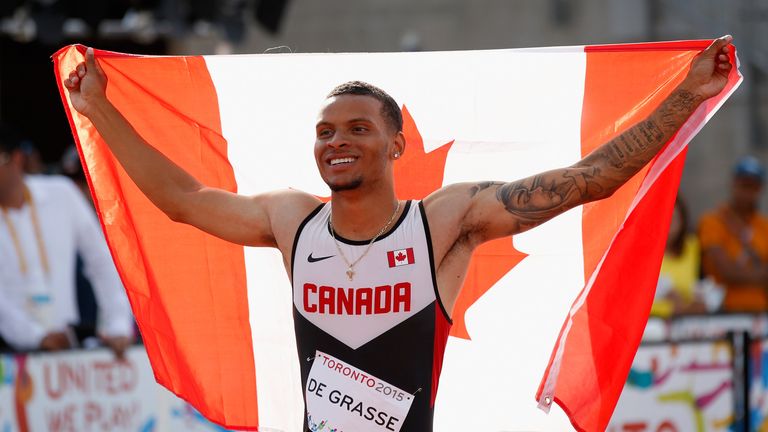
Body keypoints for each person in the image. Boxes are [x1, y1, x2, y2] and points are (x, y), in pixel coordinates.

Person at [63, 36, 734, 431]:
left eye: (358, 128)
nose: (337, 141)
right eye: (325, 131)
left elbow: (587, 181)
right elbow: (183, 200)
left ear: (396, 144)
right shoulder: (291, 219)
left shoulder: (443, 220)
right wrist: (96, 107)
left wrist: (685, 96)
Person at [0, 125, 134, 357]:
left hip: (69, 352)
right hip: (10, 358)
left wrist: (118, 323)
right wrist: (36, 337)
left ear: (17, 159)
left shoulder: (61, 194)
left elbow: (102, 260)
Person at [699, 155, 768, 312]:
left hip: (761, 312)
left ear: (760, 189)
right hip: (723, 311)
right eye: (744, 185)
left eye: (753, 186)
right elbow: (725, 271)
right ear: (733, 184)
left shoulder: (764, 226)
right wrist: (761, 275)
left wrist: (740, 273)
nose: (748, 192)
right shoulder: (713, 221)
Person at [652, 197, 708, 317]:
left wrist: (698, 302)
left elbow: (697, 284)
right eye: (664, 216)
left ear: (683, 220)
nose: (669, 224)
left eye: (674, 219)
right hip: (652, 326)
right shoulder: (643, 250)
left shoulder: (692, 246)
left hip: (687, 322)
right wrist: (669, 308)